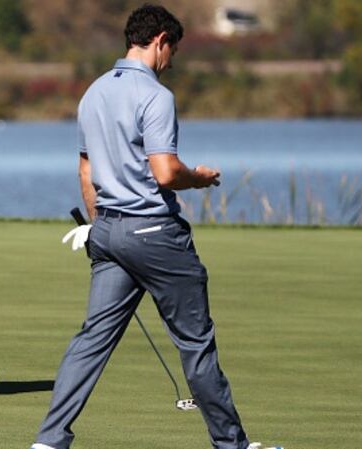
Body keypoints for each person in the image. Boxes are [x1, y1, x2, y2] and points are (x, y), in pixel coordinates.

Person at [29, 5, 282, 449]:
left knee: (91, 341)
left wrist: (97, 224)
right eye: (174, 50)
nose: (172, 60)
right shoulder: (156, 96)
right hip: (155, 234)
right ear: (161, 40)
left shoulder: (93, 92)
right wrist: (199, 178)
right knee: (195, 342)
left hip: (108, 230)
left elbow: (86, 169)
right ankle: (232, 445)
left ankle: (48, 441)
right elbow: (165, 173)